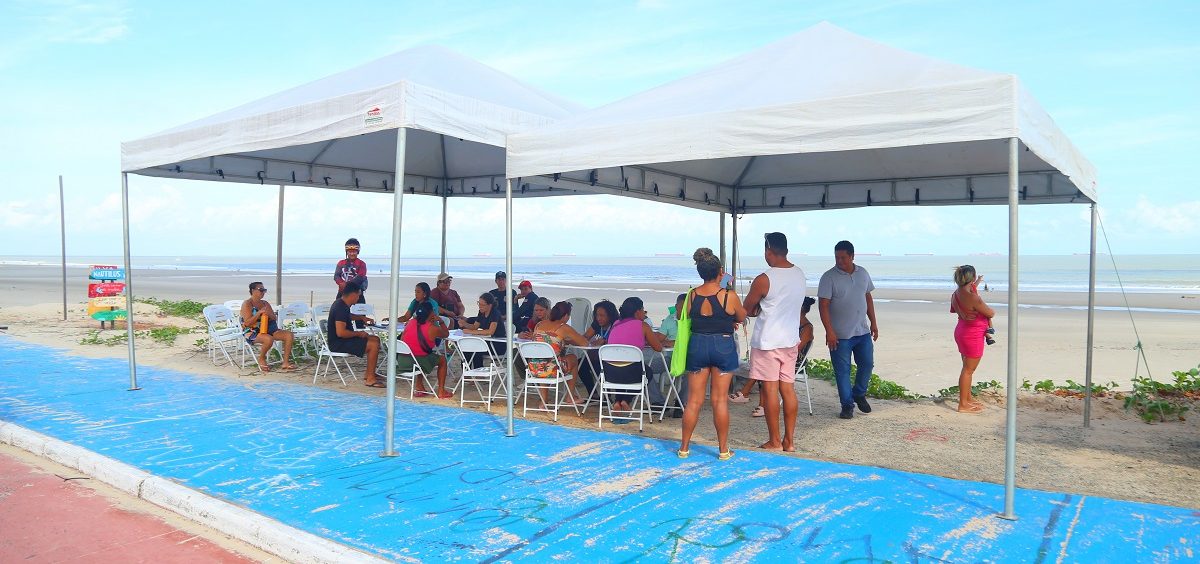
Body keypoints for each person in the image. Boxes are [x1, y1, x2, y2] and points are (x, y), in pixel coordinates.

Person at [678, 248, 746, 461]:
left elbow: (688, 317)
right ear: (721, 272)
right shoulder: (729, 295)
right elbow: (742, 316)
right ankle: (724, 450)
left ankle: (684, 448)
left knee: (694, 401)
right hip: (723, 346)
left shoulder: (692, 295)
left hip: (698, 344)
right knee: (719, 401)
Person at [741, 232, 808, 451]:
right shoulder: (799, 274)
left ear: (768, 251)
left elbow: (746, 309)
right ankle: (790, 441)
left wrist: (756, 310)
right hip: (790, 340)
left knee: (770, 391)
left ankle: (774, 441)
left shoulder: (764, 278)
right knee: (788, 390)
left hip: (768, 342)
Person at [818, 240, 879, 420]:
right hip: (839, 335)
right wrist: (829, 331)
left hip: (862, 331)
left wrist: (873, 322)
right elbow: (823, 306)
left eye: (843, 258)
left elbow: (867, 298)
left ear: (852, 256)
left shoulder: (863, 273)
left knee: (867, 364)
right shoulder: (828, 277)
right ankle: (847, 405)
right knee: (842, 371)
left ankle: (859, 393)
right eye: (837, 257)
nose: (839, 261)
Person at [734, 297, 815, 415]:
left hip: (795, 360)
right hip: (786, 355)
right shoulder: (792, 324)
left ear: (800, 309)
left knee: (766, 363)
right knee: (766, 361)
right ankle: (755, 400)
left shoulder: (807, 327)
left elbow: (796, 349)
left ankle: (750, 395)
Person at [603, 297, 664, 411]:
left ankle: (618, 401)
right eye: (643, 310)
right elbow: (658, 347)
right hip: (631, 373)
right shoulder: (643, 325)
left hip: (609, 373)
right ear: (637, 312)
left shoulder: (616, 324)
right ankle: (626, 400)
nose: (644, 313)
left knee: (621, 366)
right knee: (646, 372)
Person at [528, 301, 590, 407]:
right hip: (552, 370)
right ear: (566, 315)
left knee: (543, 359)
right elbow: (584, 343)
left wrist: (565, 340)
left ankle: (544, 400)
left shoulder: (539, 325)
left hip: (533, 368)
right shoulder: (563, 327)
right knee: (573, 358)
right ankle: (570, 396)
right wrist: (569, 339)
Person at [950, 265, 995, 413]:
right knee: (968, 370)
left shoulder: (957, 293)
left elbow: (971, 290)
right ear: (972, 277)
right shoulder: (973, 297)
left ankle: (967, 399)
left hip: (962, 332)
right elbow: (990, 312)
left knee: (966, 368)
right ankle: (963, 404)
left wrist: (978, 282)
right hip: (972, 335)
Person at [327, 280, 382, 386]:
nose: (359, 298)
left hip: (344, 340)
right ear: (353, 294)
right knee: (373, 344)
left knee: (375, 339)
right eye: (358, 295)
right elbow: (341, 332)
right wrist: (358, 334)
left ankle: (369, 373)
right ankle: (370, 379)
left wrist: (362, 318)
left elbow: (348, 316)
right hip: (338, 343)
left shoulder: (342, 304)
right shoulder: (340, 307)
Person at [239, 282, 297, 372]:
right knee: (268, 339)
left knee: (289, 335)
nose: (263, 292)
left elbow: (274, 318)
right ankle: (262, 358)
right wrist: (259, 313)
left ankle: (285, 362)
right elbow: (247, 323)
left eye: (264, 290)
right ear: (252, 291)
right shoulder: (247, 304)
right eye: (261, 290)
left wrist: (269, 313)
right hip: (252, 332)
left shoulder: (265, 303)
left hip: (269, 329)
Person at [399, 301, 453, 399]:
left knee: (424, 354)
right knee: (442, 360)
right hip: (417, 362)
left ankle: (419, 386)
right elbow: (446, 334)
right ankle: (441, 391)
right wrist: (440, 321)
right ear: (431, 313)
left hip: (403, 361)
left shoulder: (410, 322)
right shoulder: (432, 328)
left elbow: (402, 339)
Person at [578, 300, 618, 393]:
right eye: (597, 315)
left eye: (602, 315)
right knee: (580, 364)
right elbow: (585, 337)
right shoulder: (596, 324)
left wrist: (604, 341)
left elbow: (617, 342)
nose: (598, 318)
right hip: (598, 356)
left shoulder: (616, 325)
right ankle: (593, 394)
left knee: (597, 365)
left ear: (610, 315)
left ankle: (607, 396)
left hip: (613, 358)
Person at [459, 293, 507, 366]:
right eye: (479, 304)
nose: (480, 306)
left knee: (476, 350)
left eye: (482, 305)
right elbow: (475, 326)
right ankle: (466, 372)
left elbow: (490, 331)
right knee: (466, 348)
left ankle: (478, 372)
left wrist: (471, 331)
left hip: (497, 343)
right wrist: (465, 324)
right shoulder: (481, 312)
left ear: (489, 305)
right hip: (487, 341)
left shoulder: (495, 313)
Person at [333, 238, 367, 303]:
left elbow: (360, 277)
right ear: (346, 252)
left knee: (359, 312)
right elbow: (336, 276)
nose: (352, 254)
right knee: (338, 311)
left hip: (357, 295)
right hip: (342, 294)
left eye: (354, 251)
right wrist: (341, 284)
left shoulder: (362, 264)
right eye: (350, 252)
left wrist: (347, 286)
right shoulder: (341, 263)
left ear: (358, 252)